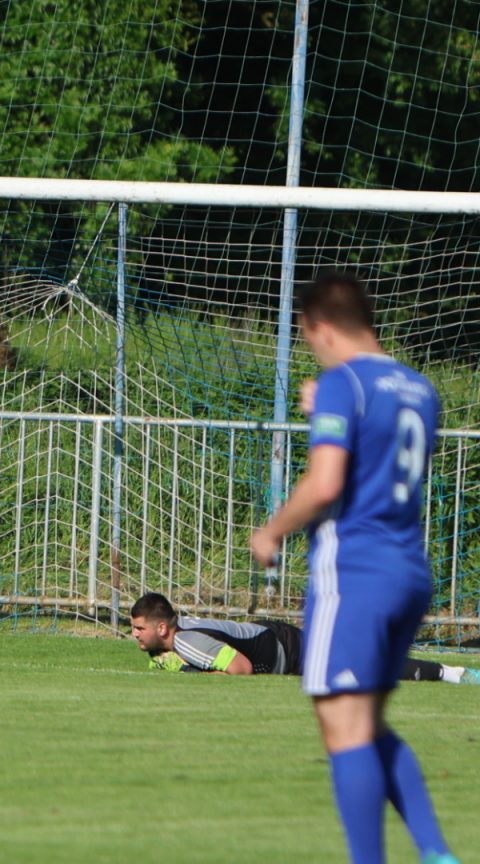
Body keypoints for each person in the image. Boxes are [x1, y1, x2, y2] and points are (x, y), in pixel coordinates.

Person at [249, 271, 457, 864]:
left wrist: (271, 531)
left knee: (342, 730)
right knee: (367, 727)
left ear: (318, 327)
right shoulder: (420, 388)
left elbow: (326, 484)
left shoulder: (344, 383)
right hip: (408, 571)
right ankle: (436, 853)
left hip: (355, 571)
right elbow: (379, 452)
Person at [130, 592, 479, 685]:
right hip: (278, 640)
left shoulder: (185, 641)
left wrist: (195, 677)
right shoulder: (179, 633)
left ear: (162, 628)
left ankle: (453, 674)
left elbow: (241, 670)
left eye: (139, 629)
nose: (134, 635)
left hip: (290, 649)